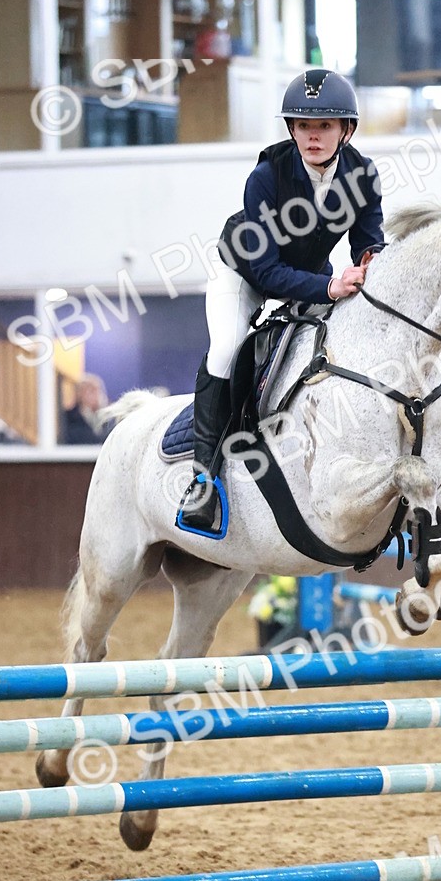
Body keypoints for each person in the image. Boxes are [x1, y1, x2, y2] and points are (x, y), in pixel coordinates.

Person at [178, 68, 385, 533]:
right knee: (228, 347)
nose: (313, 136)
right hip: (245, 274)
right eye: (304, 126)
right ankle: (204, 478)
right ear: (291, 129)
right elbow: (268, 271)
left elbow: (369, 242)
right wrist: (330, 288)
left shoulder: (362, 174)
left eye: (324, 126)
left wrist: (372, 265)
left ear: (345, 131)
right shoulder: (266, 177)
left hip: (311, 277)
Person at [61, 373, 110, 445]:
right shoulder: (68, 419)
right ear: (79, 394)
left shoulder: (108, 419)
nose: (97, 395)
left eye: (98, 390)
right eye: (91, 391)